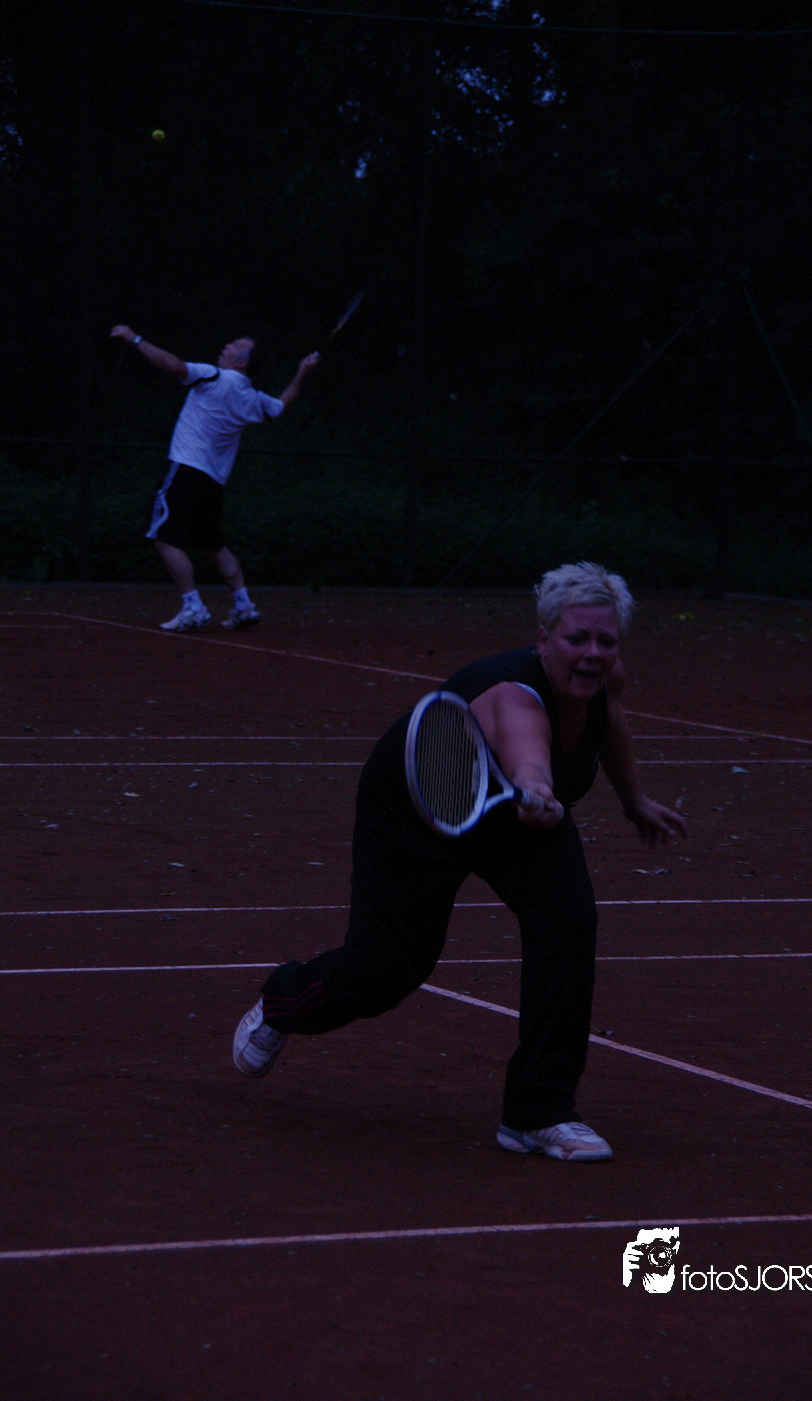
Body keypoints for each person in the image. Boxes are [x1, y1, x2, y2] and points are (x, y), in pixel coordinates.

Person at [233, 562, 688, 1162]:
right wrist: (537, 787)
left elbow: (610, 722)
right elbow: (528, 752)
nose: (593, 653)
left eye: (606, 641)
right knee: (388, 971)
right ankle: (282, 1002)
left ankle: (538, 1113)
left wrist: (634, 802)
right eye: (577, 638)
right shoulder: (515, 698)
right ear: (543, 638)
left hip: (513, 810)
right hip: (420, 806)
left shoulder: (601, 678)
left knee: (568, 920)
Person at [109, 325, 320, 631]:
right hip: (213, 482)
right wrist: (302, 373)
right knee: (214, 544)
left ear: (241, 362)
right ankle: (244, 605)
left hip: (186, 469)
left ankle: (193, 607)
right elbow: (280, 407)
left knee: (164, 539)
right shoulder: (252, 398)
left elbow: (173, 365)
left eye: (234, 345)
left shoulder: (213, 376)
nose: (226, 345)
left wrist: (135, 339)